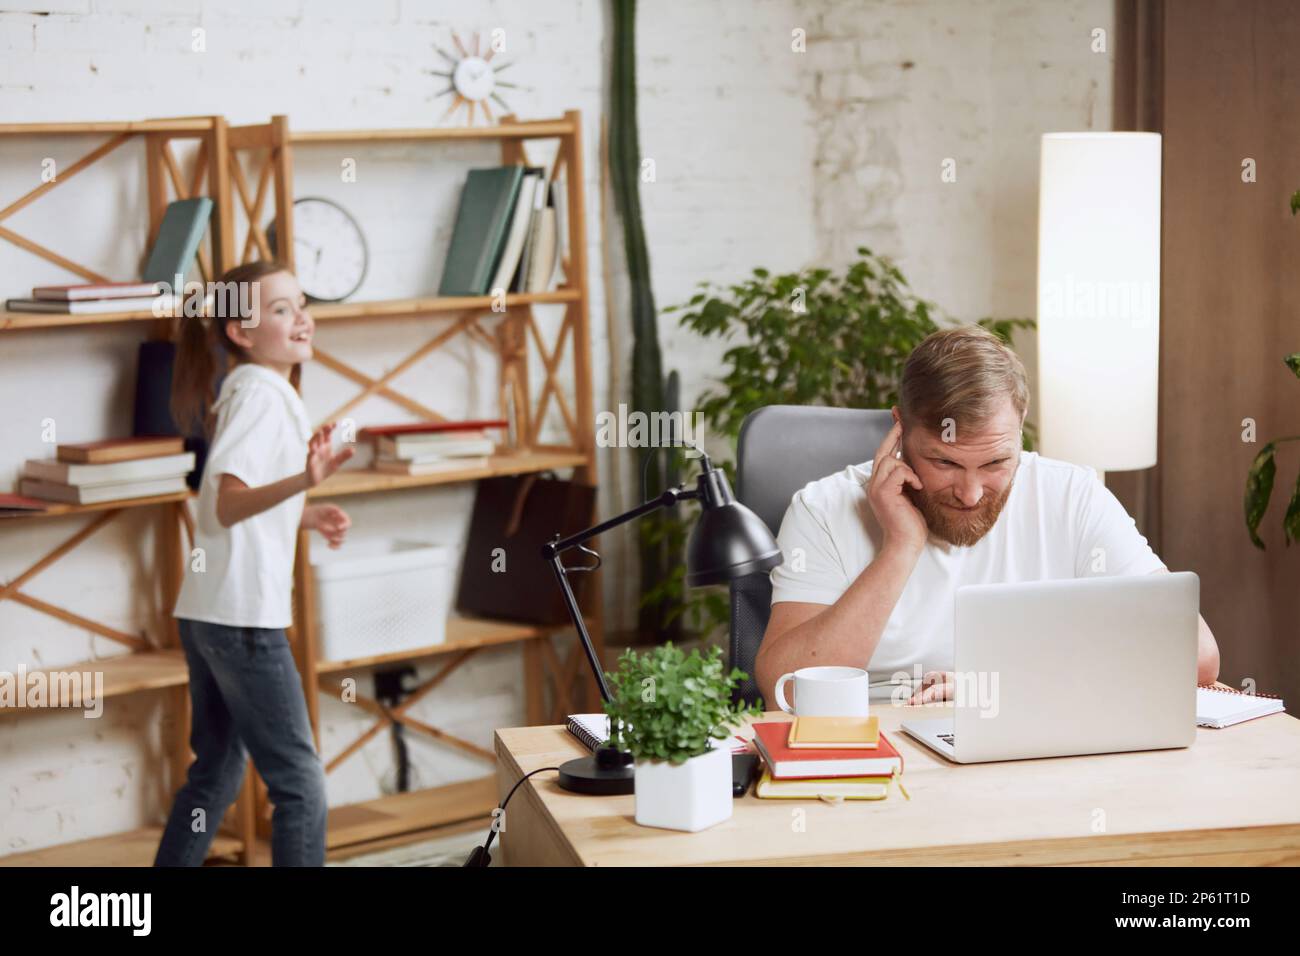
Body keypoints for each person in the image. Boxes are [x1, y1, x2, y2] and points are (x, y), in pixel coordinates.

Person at [754, 325, 1219, 707]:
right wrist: (900, 547)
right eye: (945, 463)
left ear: (1021, 430)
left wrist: (1009, 688)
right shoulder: (822, 509)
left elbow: (1196, 659)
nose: (971, 494)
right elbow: (786, 692)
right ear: (899, 432)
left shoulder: (1072, 496)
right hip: (878, 747)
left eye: (996, 463)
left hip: (1035, 733)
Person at [154, 260, 352, 867]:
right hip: (243, 621)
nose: (301, 319)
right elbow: (226, 502)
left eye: (301, 304)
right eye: (281, 310)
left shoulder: (249, 390)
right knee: (299, 782)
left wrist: (305, 511)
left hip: (208, 610)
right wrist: (306, 478)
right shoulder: (265, 396)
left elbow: (237, 510)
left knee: (214, 770)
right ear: (241, 331)